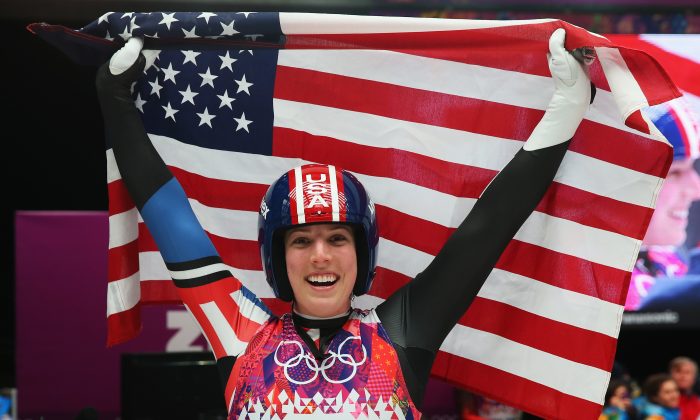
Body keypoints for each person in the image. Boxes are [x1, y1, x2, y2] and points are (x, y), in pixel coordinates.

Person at [95, 28, 592, 417]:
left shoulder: (401, 333)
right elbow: (168, 217)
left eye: (337, 237)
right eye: (301, 240)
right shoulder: (239, 333)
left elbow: (488, 230)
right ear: (276, 255)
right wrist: (114, 98)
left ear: (363, 251)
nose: (320, 255)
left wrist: (566, 110)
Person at [624, 100, 700, 311]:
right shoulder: (575, 282)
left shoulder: (667, 259)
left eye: (692, 168)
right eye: (675, 172)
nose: (696, 190)